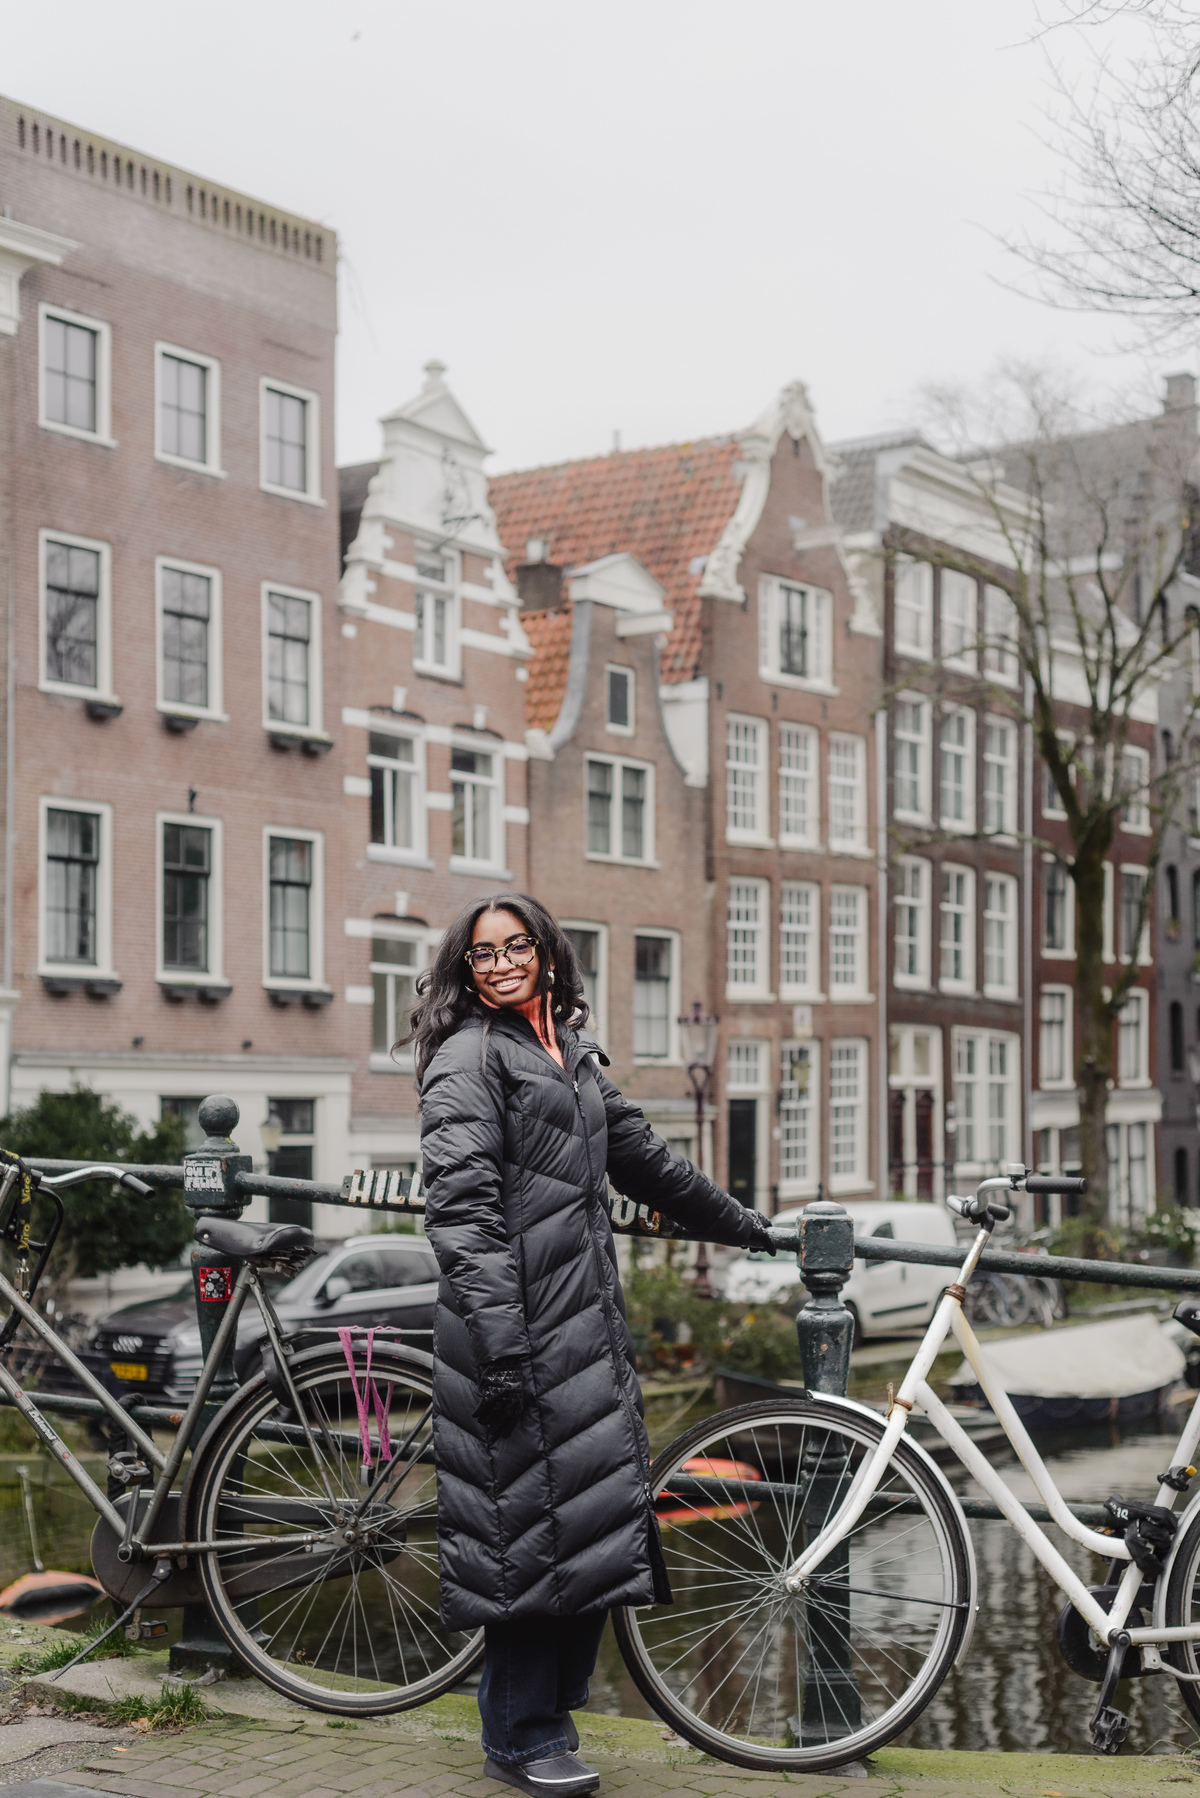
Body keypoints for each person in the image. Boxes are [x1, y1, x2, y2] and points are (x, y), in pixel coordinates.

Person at [410, 892, 776, 1798]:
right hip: (511, 1331)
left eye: (515, 946)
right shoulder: (468, 1057)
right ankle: (517, 1739)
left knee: (586, 1526)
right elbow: (462, 1213)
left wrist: (746, 1227)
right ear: (465, 968)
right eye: (483, 953)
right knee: (523, 1539)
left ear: (546, 953)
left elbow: (647, 1162)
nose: (500, 963)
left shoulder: (569, 1054)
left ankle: (552, 1722)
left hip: (582, 1328)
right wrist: (502, 1349)